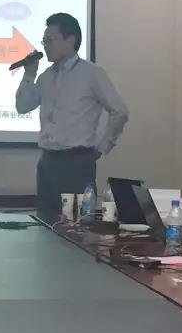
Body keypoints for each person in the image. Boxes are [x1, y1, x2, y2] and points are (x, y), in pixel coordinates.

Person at [16, 13, 128, 219]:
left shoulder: (91, 73)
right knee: (45, 220)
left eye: (50, 40)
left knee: (77, 223)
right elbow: (22, 107)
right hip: (47, 161)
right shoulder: (45, 76)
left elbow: (119, 111)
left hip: (77, 162)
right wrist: (29, 74)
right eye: (44, 41)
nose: (46, 46)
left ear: (70, 40)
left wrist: (103, 147)